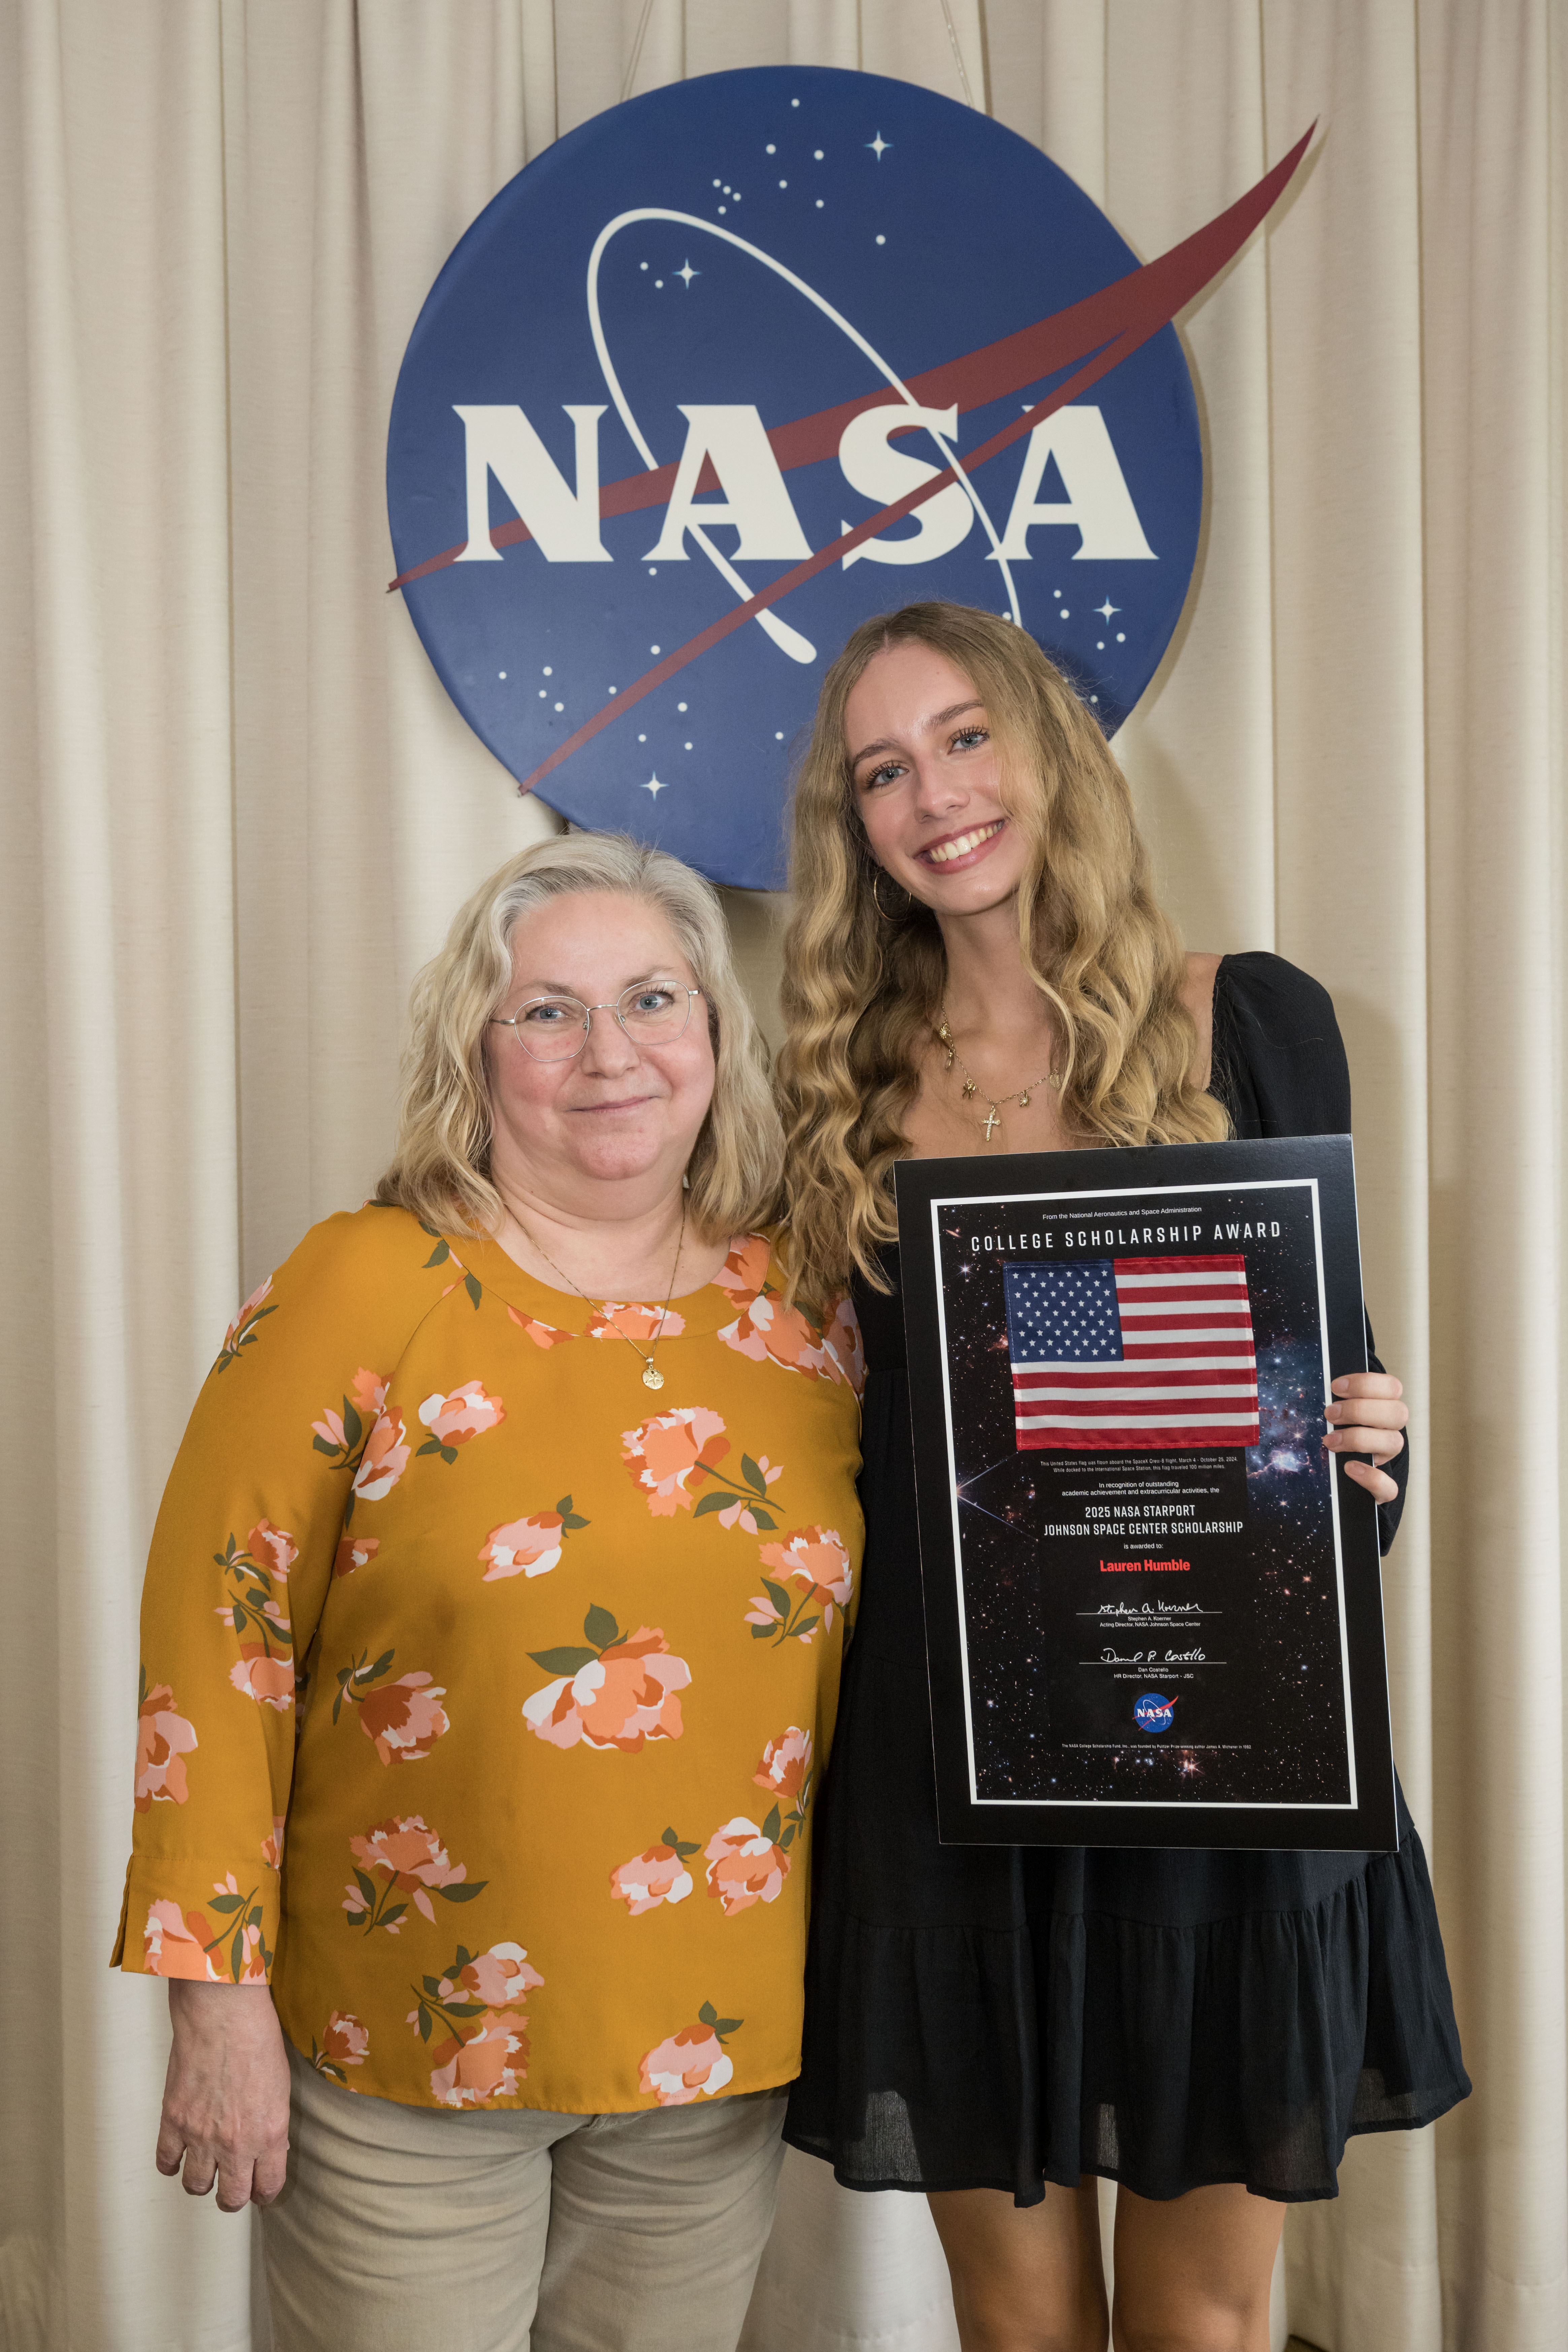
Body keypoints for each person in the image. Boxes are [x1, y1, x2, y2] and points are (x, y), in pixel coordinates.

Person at [774, 602, 1468, 2352]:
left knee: (1203, 2330)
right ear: (851, 824)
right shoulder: (833, 1102)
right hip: (951, 1777)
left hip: (1214, 1770)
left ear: (1050, 751)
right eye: (881, 768)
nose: (932, 794)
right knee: (1015, 2332)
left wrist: (1361, 1444)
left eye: (963, 737)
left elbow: (1329, 1451)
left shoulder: (1245, 1021)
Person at [116, 832, 864, 2352]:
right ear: (477, 1052)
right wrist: (215, 1998)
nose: (610, 1054)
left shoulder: (809, 1312)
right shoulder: (364, 1282)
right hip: (402, 2046)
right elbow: (218, 1637)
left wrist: (1297, 1430)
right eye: (547, 1011)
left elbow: (1017, 1520)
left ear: (718, 1037)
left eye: (655, 999)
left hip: (709, 2053)